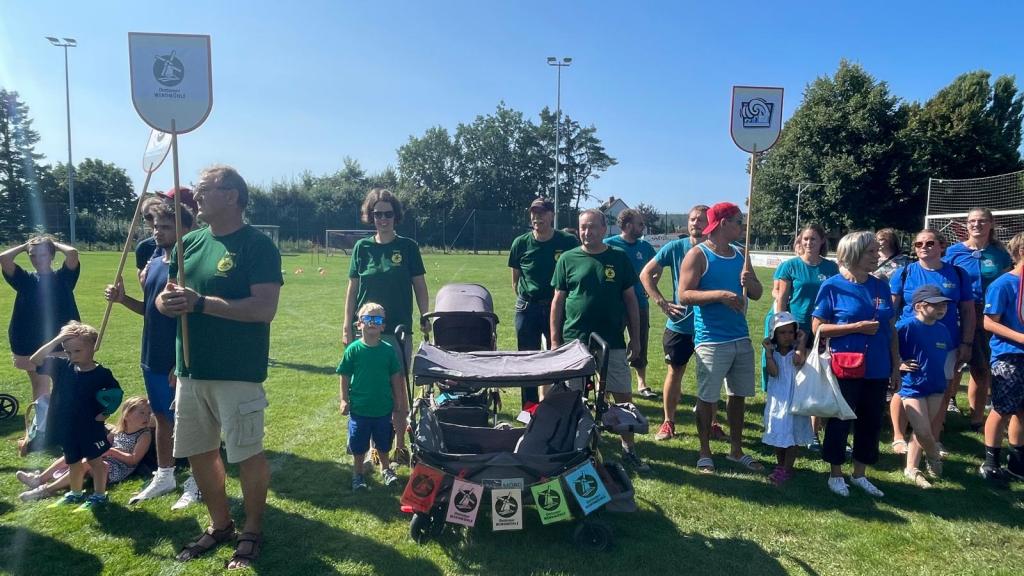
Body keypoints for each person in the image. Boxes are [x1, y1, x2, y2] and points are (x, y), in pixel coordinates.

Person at [157, 165, 283, 570]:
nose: (195, 195)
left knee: (246, 454)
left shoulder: (257, 246)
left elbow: (264, 308)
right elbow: (166, 297)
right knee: (198, 452)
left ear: (231, 196)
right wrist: (166, 302)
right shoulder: (189, 242)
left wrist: (201, 304)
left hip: (237, 371)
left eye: (204, 188)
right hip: (191, 370)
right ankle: (220, 524)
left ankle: (252, 529)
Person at [105, 197, 200, 507]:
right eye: (156, 226)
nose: (158, 231)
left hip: (178, 358)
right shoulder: (157, 261)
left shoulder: (190, 265)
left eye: (167, 226)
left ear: (187, 228)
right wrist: (123, 300)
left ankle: (197, 481)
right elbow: (150, 311)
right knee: (160, 417)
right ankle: (165, 474)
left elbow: (195, 319)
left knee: (189, 421)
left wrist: (180, 360)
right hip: (151, 354)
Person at [551, 209, 649, 472]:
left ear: (605, 229)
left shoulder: (618, 258)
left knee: (622, 394)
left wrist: (635, 339)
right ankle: (573, 450)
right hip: (575, 339)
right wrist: (555, 340)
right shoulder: (568, 259)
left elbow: (631, 301)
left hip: (612, 340)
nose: (587, 232)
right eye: (583, 227)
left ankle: (628, 449)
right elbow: (558, 301)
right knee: (572, 395)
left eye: (593, 226)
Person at [343, 188, 429, 463]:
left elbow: (420, 286)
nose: (383, 219)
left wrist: (425, 317)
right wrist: (346, 325)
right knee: (370, 389)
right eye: (377, 214)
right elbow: (352, 289)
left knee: (398, 390)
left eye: (388, 214)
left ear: (396, 216)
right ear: (370, 216)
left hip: (397, 331)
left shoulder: (408, 247)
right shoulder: (362, 248)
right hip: (366, 332)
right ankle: (373, 448)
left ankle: (400, 445)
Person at [678, 202, 764, 474]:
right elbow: (684, 294)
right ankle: (705, 452)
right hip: (711, 339)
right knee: (707, 398)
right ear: (723, 223)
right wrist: (720, 296)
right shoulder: (698, 255)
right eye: (738, 221)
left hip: (741, 337)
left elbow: (758, 293)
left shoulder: (741, 254)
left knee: (738, 396)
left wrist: (750, 282)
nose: (742, 226)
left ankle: (736, 451)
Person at [812, 231, 898, 498]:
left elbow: (891, 328)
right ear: (853, 253)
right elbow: (818, 328)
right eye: (871, 251)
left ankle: (860, 474)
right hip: (845, 366)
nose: (877, 256)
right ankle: (835, 474)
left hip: (878, 366)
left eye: (877, 251)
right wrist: (856, 327)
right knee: (840, 420)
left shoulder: (881, 286)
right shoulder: (833, 286)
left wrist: (895, 365)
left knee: (871, 422)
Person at [640, 205, 725, 441]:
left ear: (710, 224)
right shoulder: (675, 247)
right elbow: (645, 274)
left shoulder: (719, 250)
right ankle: (668, 422)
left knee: (712, 376)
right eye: (692, 219)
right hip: (680, 325)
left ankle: (713, 422)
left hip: (711, 326)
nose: (695, 223)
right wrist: (662, 303)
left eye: (701, 219)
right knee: (674, 372)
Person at [888, 229, 974, 457]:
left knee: (941, 389)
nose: (923, 247)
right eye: (918, 244)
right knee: (903, 388)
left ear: (942, 246)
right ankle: (898, 436)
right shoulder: (904, 273)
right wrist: (891, 344)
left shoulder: (958, 274)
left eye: (929, 243)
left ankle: (933, 439)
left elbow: (967, 310)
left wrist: (967, 342)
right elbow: (890, 310)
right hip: (910, 342)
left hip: (946, 343)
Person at [28, 321, 123, 511]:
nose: (72, 356)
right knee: (72, 460)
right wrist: (58, 339)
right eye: (68, 351)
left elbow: (116, 395)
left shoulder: (102, 374)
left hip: (90, 426)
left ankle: (99, 495)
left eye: (77, 351)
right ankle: (76, 493)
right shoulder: (63, 367)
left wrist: (105, 413)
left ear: (93, 347)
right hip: (67, 426)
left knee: (95, 461)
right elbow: (35, 360)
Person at [770, 223, 840, 450]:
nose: (809, 243)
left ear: (822, 241)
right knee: (795, 377)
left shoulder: (831, 268)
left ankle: (814, 432)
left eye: (813, 239)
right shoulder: (790, 266)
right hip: (797, 328)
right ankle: (789, 426)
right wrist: (781, 329)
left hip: (822, 328)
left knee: (817, 377)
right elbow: (782, 299)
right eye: (805, 239)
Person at [944, 208, 1013, 430]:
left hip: (989, 315)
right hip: (958, 312)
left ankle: (976, 419)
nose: (976, 225)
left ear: (991, 224)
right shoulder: (953, 252)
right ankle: (944, 410)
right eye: (972, 221)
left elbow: (1007, 284)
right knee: (951, 365)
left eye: (982, 221)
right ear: (966, 225)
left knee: (981, 367)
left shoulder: (999, 253)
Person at [508, 198, 580, 406]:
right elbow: (515, 280)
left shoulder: (567, 241)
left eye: (541, 212)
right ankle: (529, 407)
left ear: (552, 215)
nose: (536, 217)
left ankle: (557, 404)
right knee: (527, 357)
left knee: (558, 355)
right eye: (533, 212)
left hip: (557, 307)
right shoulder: (520, 243)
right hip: (528, 307)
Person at [18, 396, 154, 501]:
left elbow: (134, 460)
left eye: (149, 413)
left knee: (86, 462)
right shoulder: (118, 431)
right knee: (73, 454)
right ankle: (39, 479)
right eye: (142, 413)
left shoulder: (144, 435)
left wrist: (112, 452)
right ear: (127, 415)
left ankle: (47, 490)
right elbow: (103, 444)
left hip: (117, 469)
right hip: (105, 460)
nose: (146, 417)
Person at [337, 302, 408, 490]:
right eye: (368, 318)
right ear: (359, 323)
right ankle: (358, 474)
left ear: (383, 326)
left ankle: (386, 469)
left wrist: (398, 400)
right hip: (359, 409)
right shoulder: (353, 349)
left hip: (383, 408)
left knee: (383, 443)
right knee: (359, 445)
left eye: (377, 319)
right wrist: (344, 399)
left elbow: (395, 377)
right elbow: (344, 375)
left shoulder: (388, 350)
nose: (372, 322)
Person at [1, 235, 81, 401]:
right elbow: (4, 258)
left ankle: (61, 416)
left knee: (64, 383)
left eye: (43, 254)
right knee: (40, 384)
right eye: (33, 255)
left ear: (52, 255)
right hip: (29, 339)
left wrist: (52, 244)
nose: (37, 259)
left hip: (62, 337)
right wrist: (26, 245)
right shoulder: (24, 279)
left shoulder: (64, 277)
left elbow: (72, 253)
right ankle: (41, 417)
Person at [896, 286, 956, 489]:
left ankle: (911, 468)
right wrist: (899, 364)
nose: (942, 308)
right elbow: (888, 347)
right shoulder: (906, 326)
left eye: (944, 305)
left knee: (923, 430)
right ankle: (934, 455)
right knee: (922, 430)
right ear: (919, 306)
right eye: (936, 305)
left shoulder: (943, 330)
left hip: (936, 386)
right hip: (912, 385)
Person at [978, 231, 1024, 485]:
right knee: (1002, 408)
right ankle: (991, 462)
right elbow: (989, 322)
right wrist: (1020, 338)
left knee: (1022, 410)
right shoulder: (1003, 284)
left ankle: (1017, 462)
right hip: (1009, 355)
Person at [604, 208, 657, 398]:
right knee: (610, 343)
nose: (643, 227)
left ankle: (642, 383)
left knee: (640, 340)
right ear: (628, 226)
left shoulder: (645, 247)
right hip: (615, 305)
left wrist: (650, 287)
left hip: (640, 303)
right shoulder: (609, 245)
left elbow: (656, 268)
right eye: (640, 224)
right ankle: (606, 387)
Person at [761, 312, 811, 486]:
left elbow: (798, 361)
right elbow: (773, 372)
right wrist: (768, 353)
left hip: (794, 400)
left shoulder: (796, 352)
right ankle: (780, 464)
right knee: (778, 431)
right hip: (778, 400)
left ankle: (787, 468)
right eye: (782, 333)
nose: (787, 336)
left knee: (792, 434)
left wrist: (802, 341)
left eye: (791, 332)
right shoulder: (773, 353)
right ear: (774, 334)